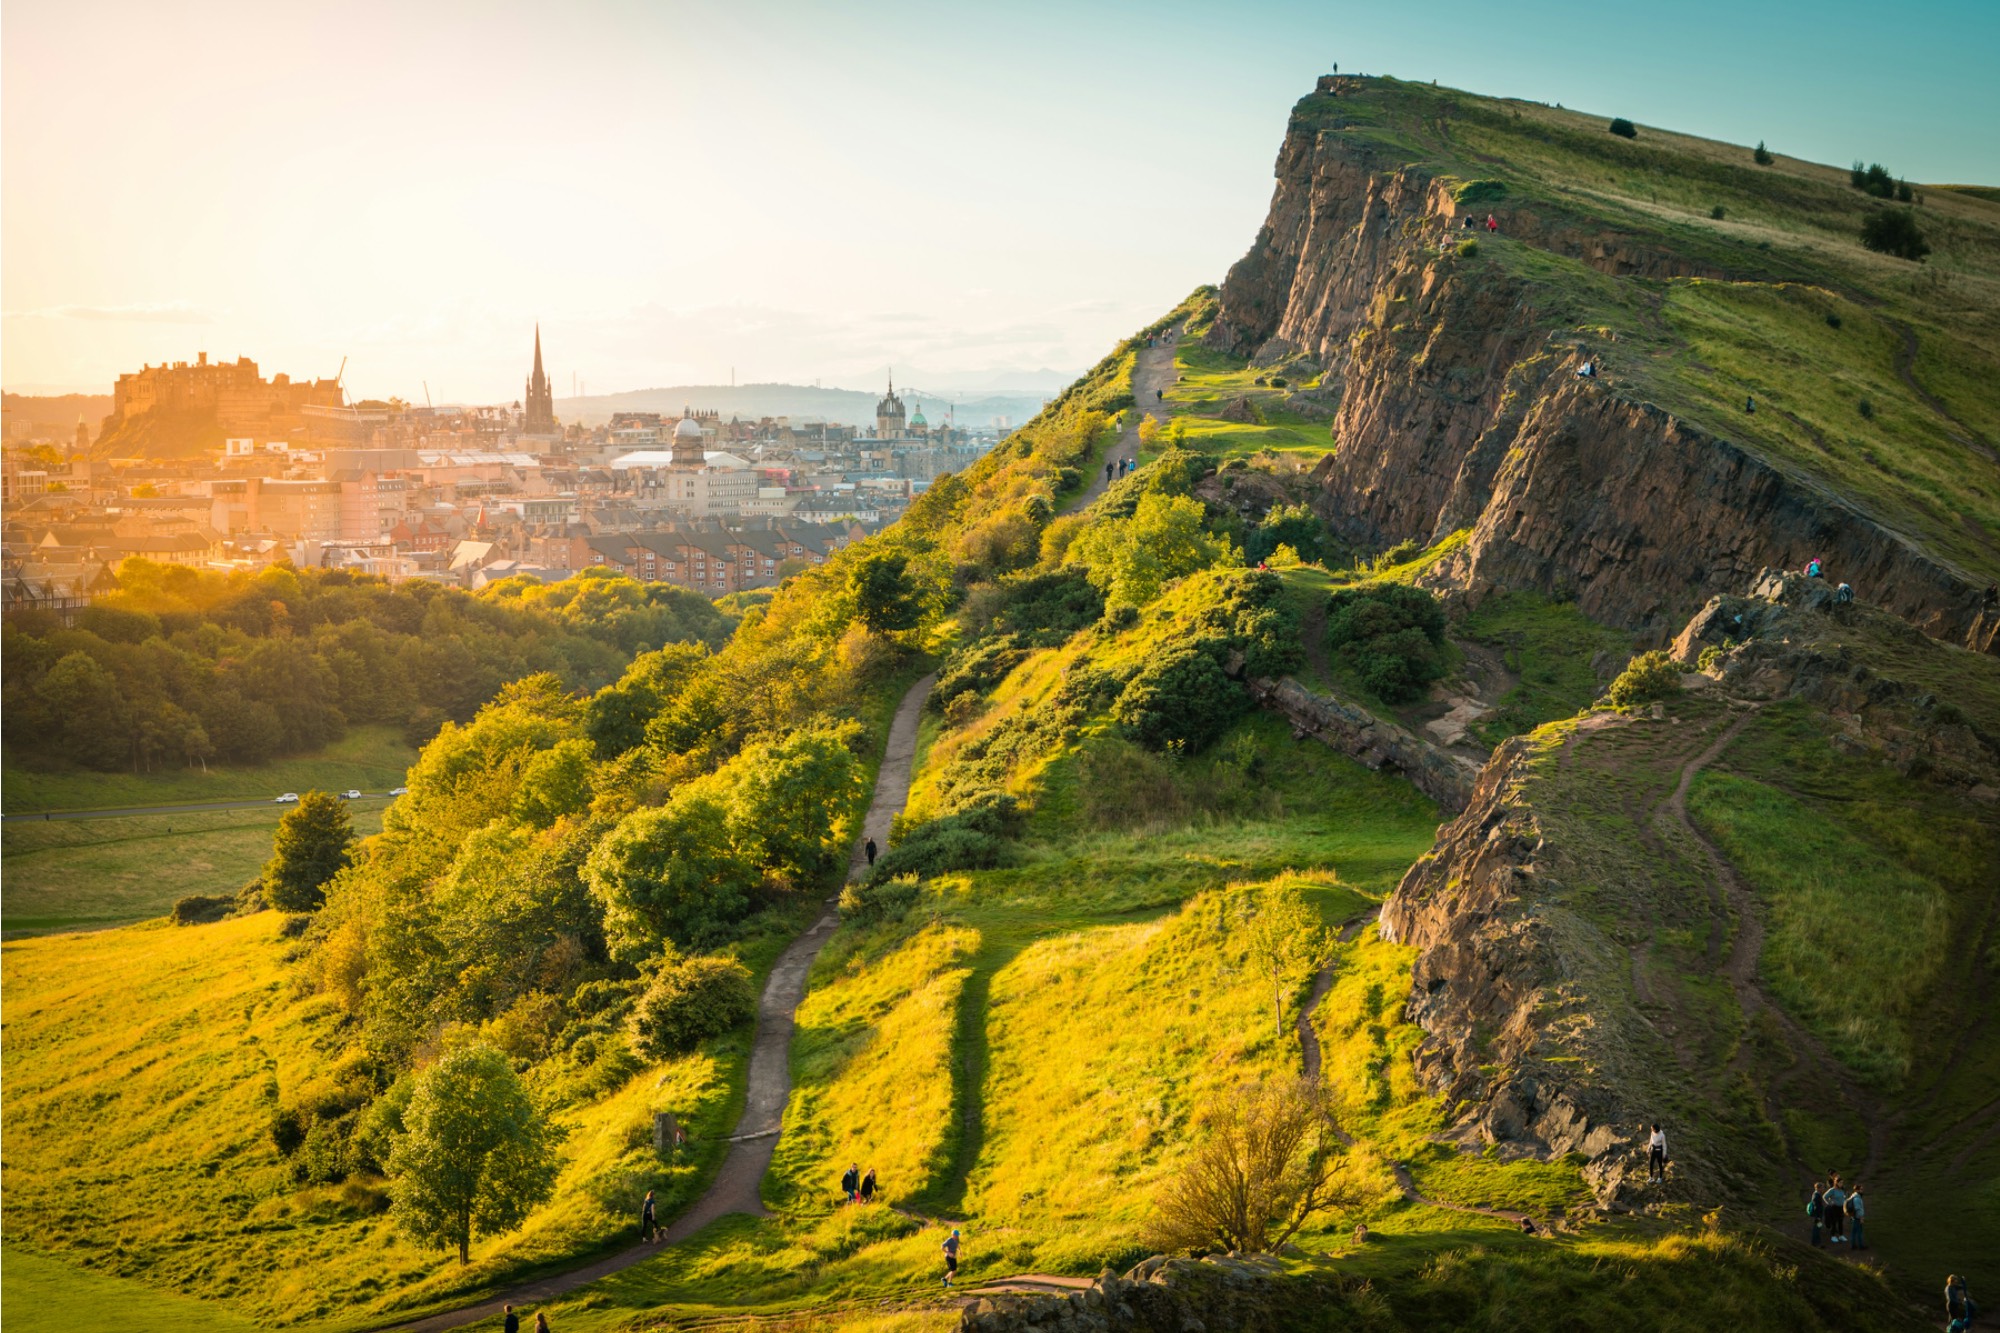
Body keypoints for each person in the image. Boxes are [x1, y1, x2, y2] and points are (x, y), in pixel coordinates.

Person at [1822, 1177, 1847, 1244]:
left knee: (1840, 1222)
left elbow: (1843, 1197)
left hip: (1841, 1208)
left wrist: (1844, 1203)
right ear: (1836, 1183)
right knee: (1834, 1222)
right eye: (1840, 1182)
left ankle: (1841, 1235)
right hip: (1834, 1208)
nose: (1842, 1184)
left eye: (1842, 1182)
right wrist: (1830, 1203)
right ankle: (1833, 1236)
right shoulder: (1832, 1190)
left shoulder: (1842, 1190)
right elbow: (1824, 1196)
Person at [1844, 1182, 1865, 1250]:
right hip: (1857, 1218)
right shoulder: (1857, 1199)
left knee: (1853, 1232)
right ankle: (1861, 1246)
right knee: (1859, 1232)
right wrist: (1861, 1218)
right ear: (1857, 1190)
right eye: (1861, 1189)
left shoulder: (1853, 1197)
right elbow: (1858, 1209)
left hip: (1853, 1217)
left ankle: (1853, 1245)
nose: (1862, 1191)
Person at [1806, 1181, 1825, 1246]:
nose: (1823, 1189)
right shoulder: (1816, 1195)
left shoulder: (1816, 1194)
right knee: (1817, 1228)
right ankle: (1815, 1242)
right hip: (1817, 1216)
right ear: (1818, 1188)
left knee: (1818, 1228)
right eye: (1822, 1188)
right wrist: (1818, 1216)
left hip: (1818, 1215)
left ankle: (1817, 1242)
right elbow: (1816, 1207)